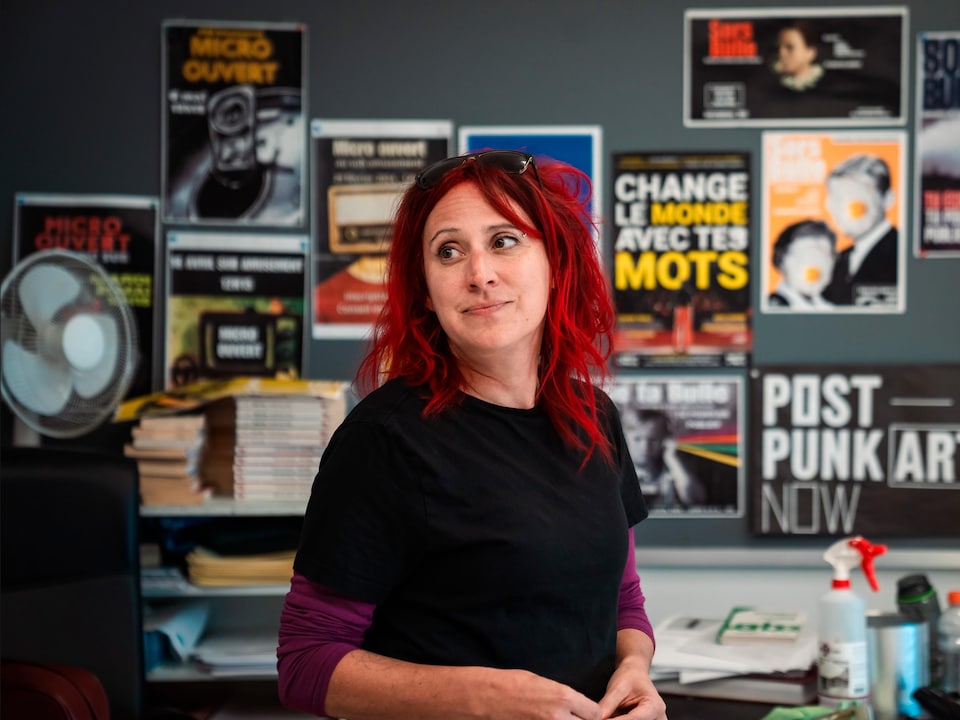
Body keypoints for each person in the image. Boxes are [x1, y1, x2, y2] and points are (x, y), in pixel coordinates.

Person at [277, 150, 667, 720]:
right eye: (448, 251)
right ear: (425, 289)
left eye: (504, 240)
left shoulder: (594, 415)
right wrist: (484, 698)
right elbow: (305, 664)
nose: (479, 274)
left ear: (556, 262)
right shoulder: (383, 441)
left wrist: (634, 668)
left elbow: (621, 596)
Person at [821, 154, 899, 306]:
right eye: (838, 197)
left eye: (858, 196)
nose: (846, 208)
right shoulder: (839, 261)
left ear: (888, 199)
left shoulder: (899, 252)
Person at [620, 406, 705, 511]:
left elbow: (695, 500)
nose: (645, 447)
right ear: (625, 439)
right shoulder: (616, 470)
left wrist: (672, 459)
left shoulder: (673, 468)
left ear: (665, 439)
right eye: (637, 439)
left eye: (653, 439)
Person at [768, 219, 837, 309]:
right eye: (804, 255)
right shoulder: (772, 306)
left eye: (823, 256)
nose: (814, 264)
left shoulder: (831, 308)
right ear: (782, 260)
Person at [771, 20, 823, 93]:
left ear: (810, 52)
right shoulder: (769, 85)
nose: (781, 54)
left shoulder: (828, 86)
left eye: (790, 47)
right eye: (778, 47)